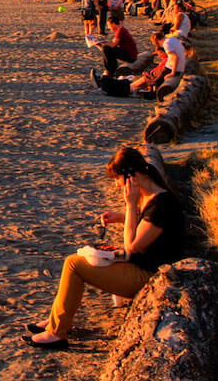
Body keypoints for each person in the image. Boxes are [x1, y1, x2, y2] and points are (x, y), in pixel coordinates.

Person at [26, 146, 185, 348]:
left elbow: (132, 246)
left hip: (149, 278)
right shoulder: (153, 196)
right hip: (143, 268)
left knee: (74, 265)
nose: (118, 186)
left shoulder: (162, 205)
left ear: (130, 176)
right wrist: (122, 217)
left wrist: (130, 204)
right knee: (80, 260)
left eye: (117, 180)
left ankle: (57, 332)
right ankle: (57, 319)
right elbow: (147, 225)